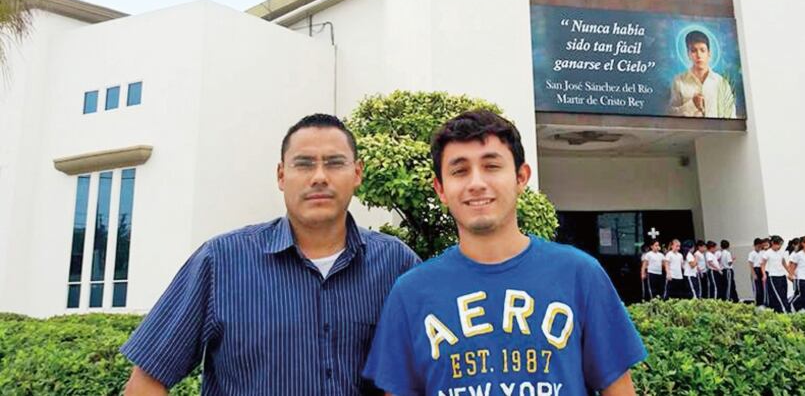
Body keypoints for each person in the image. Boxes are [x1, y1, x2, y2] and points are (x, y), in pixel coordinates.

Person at [120, 114, 420, 395]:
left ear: (357, 173)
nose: (319, 177)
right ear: (281, 175)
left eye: (334, 163)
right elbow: (145, 382)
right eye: (303, 164)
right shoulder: (221, 261)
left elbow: (431, 371)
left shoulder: (396, 264)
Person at [363, 110, 647, 396]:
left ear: (521, 177)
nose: (476, 183)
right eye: (459, 171)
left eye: (491, 166)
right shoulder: (410, 293)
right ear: (441, 189)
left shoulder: (580, 275)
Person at [668, 30, 737, 118]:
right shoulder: (678, 81)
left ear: (709, 53)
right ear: (688, 54)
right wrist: (692, 104)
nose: (698, 55)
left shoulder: (721, 83)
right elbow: (671, 115)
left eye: (702, 50)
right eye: (693, 51)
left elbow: (731, 115)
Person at [761, 236, 790, 313]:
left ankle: (778, 310)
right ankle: (785, 311)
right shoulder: (768, 253)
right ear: (772, 243)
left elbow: (784, 263)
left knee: (784, 294)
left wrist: (790, 272)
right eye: (778, 244)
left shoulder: (781, 252)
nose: (779, 246)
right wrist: (764, 275)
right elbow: (762, 264)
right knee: (778, 295)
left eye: (781, 245)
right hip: (773, 276)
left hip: (782, 276)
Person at [748, 238, 766, 308]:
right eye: (758, 246)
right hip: (755, 270)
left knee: (762, 287)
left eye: (760, 246)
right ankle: (757, 303)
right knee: (756, 288)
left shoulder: (763, 253)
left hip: (761, 269)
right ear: (754, 246)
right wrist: (753, 273)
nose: (759, 248)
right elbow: (750, 264)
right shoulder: (751, 253)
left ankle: (762, 302)